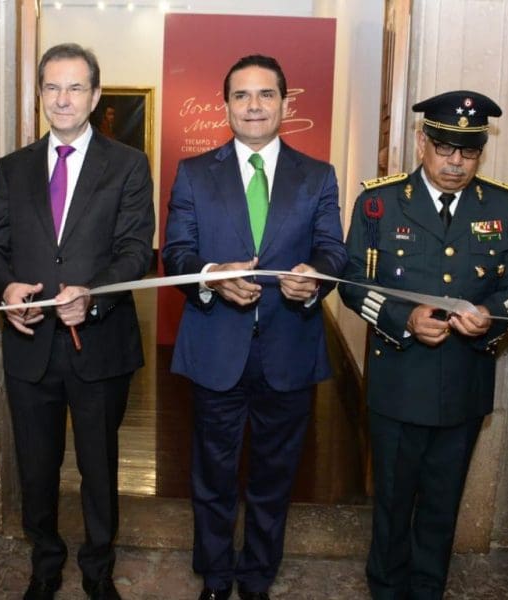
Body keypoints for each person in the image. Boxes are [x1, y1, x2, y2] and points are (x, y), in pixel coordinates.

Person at [0, 43, 153, 600]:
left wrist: (92, 297)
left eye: (75, 87)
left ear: (95, 96)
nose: (63, 98)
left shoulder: (128, 165)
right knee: (36, 467)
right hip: (31, 346)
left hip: (99, 344)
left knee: (99, 467)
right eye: (52, 87)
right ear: (40, 95)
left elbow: (135, 251)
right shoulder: (12, 168)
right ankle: (45, 563)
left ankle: (98, 569)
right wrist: (6, 287)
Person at [162, 54, 347, 600]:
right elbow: (176, 253)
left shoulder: (318, 176)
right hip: (216, 347)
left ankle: (258, 575)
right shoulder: (195, 173)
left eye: (266, 94)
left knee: (274, 476)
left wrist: (316, 277)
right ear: (226, 106)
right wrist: (211, 276)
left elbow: (333, 250)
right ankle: (216, 576)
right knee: (212, 475)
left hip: (289, 349)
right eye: (241, 95)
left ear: (285, 104)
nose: (254, 106)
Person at [339, 90, 508, 599]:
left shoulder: (503, 205)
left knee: (442, 506)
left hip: (464, 384)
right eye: (445, 148)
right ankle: (386, 588)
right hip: (398, 385)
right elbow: (352, 283)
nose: (456, 162)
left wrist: (491, 316)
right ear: (422, 141)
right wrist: (404, 319)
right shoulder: (379, 203)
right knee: (392, 504)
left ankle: (428, 589)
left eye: (469, 151)